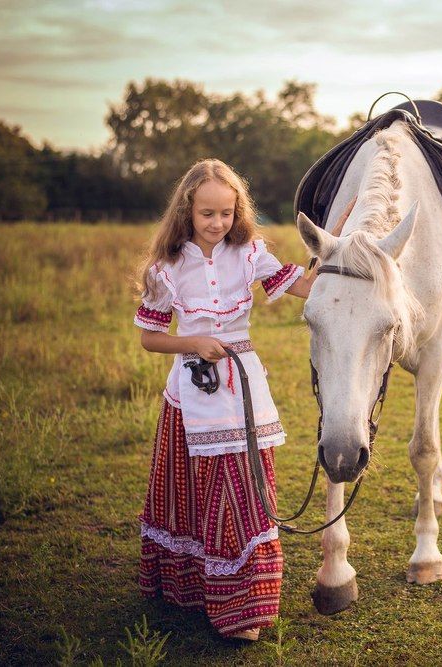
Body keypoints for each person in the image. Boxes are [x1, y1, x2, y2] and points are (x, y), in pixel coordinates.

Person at [133, 158, 354, 641]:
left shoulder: (250, 254)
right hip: (190, 394)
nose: (217, 223)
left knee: (244, 491)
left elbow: (306, 287)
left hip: (243, 388)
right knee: (198, 493)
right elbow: (150, 337)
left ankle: (243, 610)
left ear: (238, 213)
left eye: (226, 214)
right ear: (186, 211)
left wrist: (336, 239)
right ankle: (194, 589)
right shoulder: (166, 269)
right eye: (207, 214)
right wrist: (192, 343)